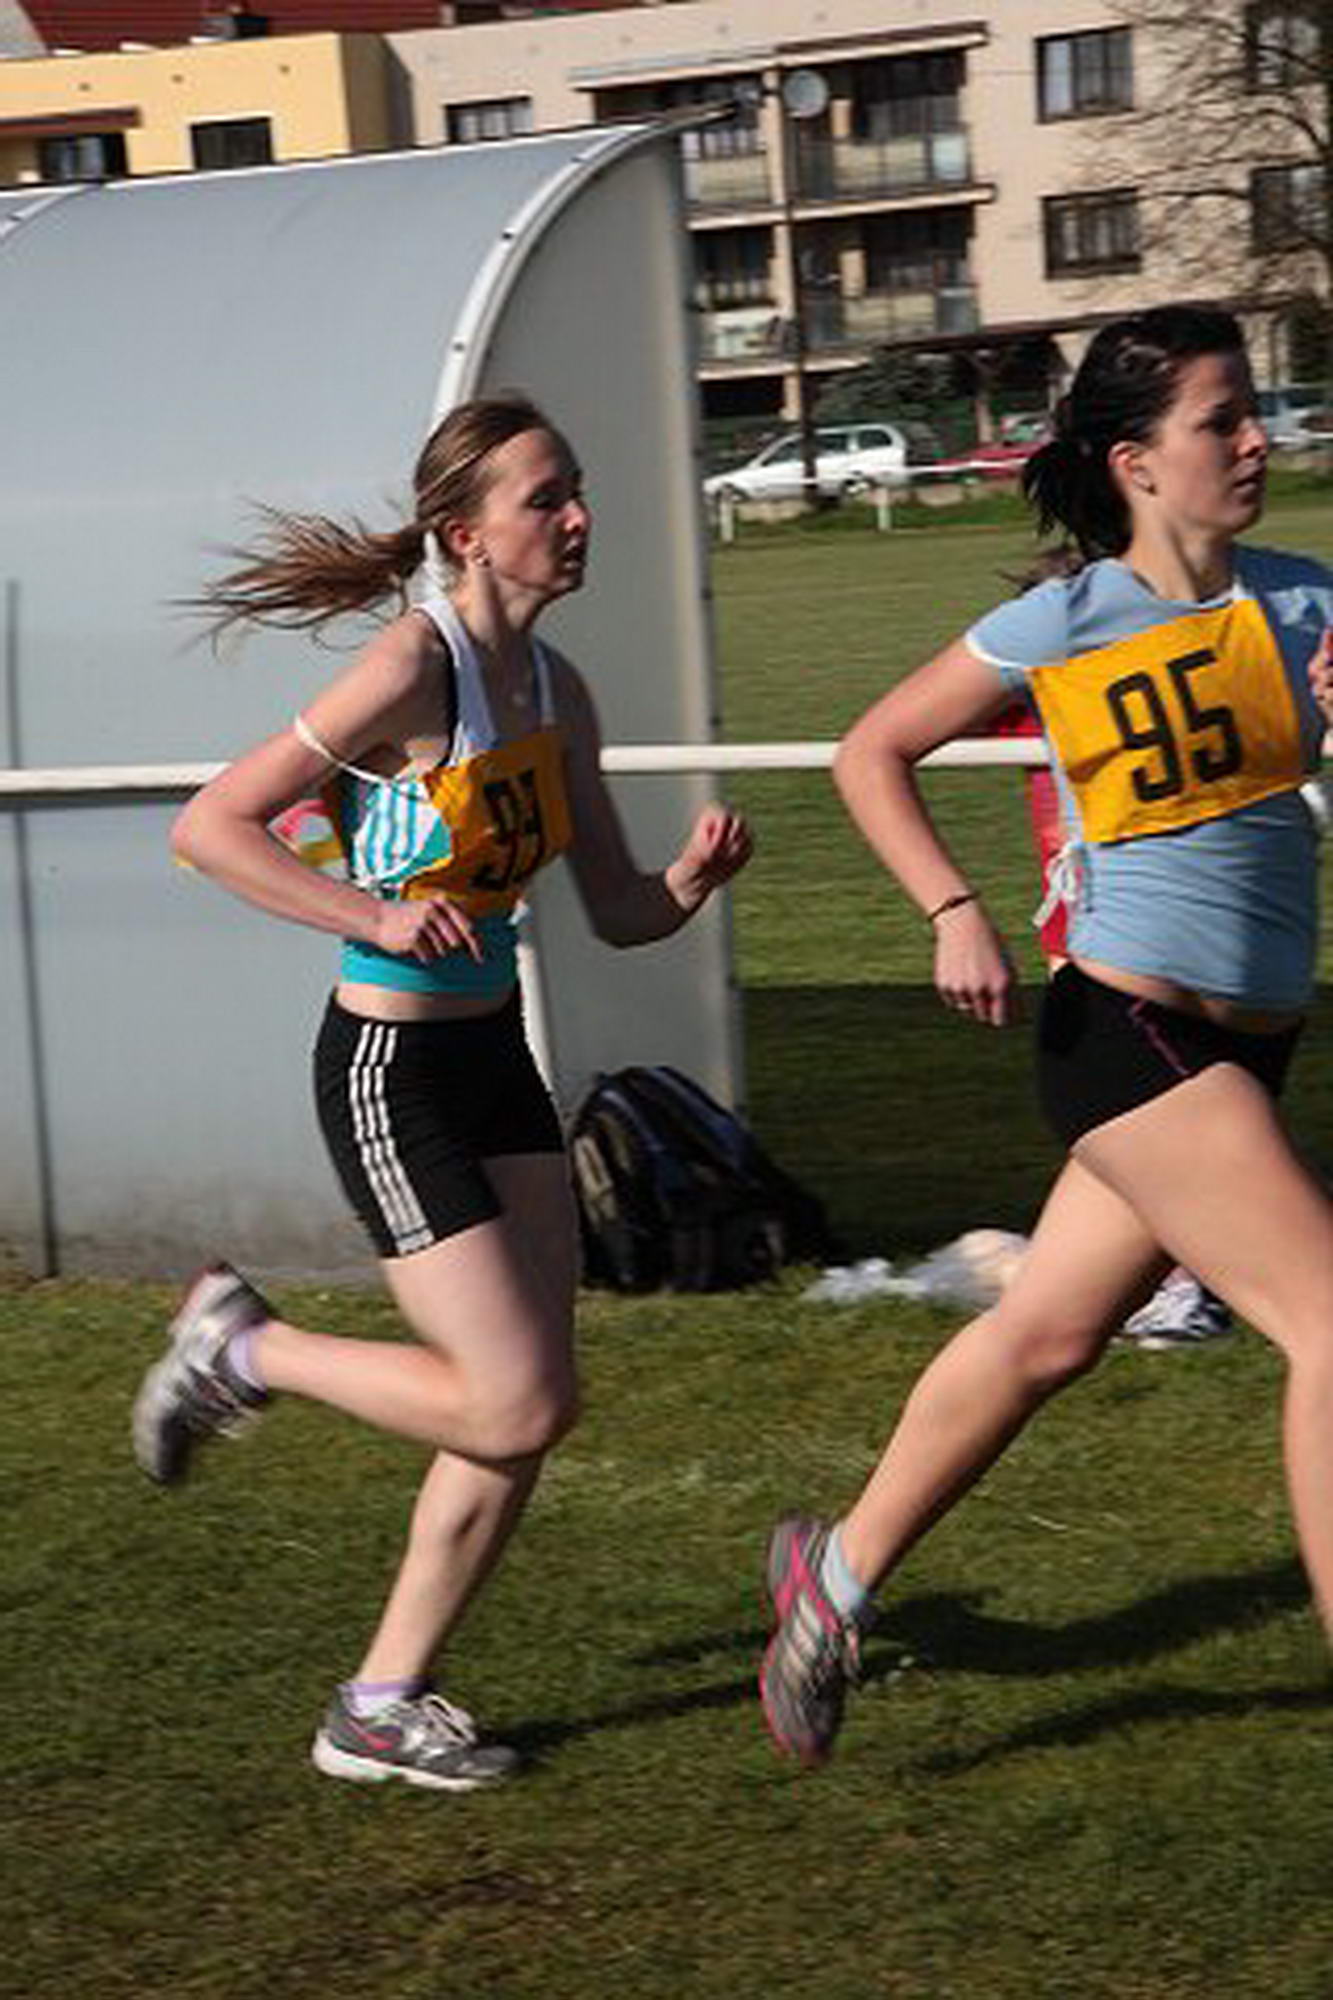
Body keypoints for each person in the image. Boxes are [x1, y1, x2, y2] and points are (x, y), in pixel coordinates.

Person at [131, 393, 751, 1791]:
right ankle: (244, 1352)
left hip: (492, 1064)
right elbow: (212, 828)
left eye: (578, 489)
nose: (579, 516)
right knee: (511, 1403)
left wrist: (690, 882)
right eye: (546, 498)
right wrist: (375, 911)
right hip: (388, 1070)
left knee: (528, 1406)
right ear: (466, 534)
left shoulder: (561, 691)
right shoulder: (414, 665)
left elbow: (615, 908)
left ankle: (379, 1703)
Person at [759, 303, 1333, 1766]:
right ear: (1136, 461)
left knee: (1046, 1335)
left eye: (1251, 413)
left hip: (1248, 1046)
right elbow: (872, 749)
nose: (1253, 440)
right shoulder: (1064, 621)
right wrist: (953, 910)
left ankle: (834, 1579)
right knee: (1330, 1324)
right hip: (1125, 1030)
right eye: (1220, 420)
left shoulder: (1305, 604)